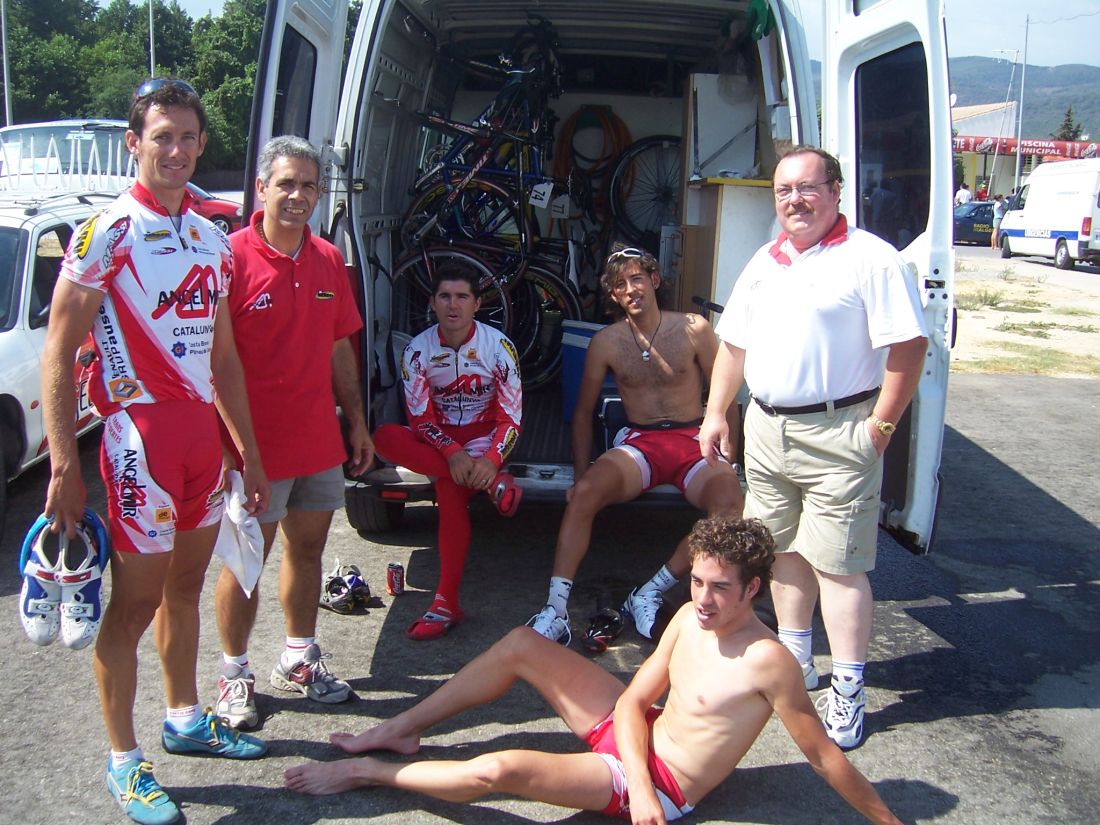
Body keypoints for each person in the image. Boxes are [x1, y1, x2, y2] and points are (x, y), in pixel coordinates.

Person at [283, 516, 905, 825]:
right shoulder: (689, 617)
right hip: (637, 737)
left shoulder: (769, 661)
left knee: (499, 769)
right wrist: (634, 763)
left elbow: (823, 757)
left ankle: (369, 771)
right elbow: (632, 703)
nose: (703, 598)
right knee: (523, 642)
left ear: (753, 590)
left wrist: (887, 821)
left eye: (720, 588)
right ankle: (399, 729)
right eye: (697, 581)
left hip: (663, 782)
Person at [40, 78, 270, 825]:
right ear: (133, 143)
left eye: (187, 137)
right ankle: (123, 760)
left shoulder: (211, 236)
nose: (176, 150)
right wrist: (62, 465)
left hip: (201, 439)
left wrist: (248, 449)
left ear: (202, 144)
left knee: (186, 586)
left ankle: (184, 718)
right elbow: (58, 349)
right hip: (138, 439)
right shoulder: (108, 231)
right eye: (161, 136)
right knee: (136, 603)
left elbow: (225, 357)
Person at [700, 146, 928, 751]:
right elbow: (734, 346)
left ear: (835, 191)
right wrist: (717, 412)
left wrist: (880, 428)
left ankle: (848, 689)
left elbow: (909, 346)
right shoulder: (765, 260)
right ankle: (796, 663)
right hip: (767, 430)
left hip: (840, 433)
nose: (794, 201)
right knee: (779, 552)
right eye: (784, 191)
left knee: (840, 566)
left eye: (807, 188)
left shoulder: (870, 258)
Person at [212, 135, 374, 730]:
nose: (298, 195)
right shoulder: (228, 258)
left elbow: (338, 348)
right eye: (286, 183)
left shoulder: (328, 258)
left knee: (307, 552)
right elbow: (213, 363)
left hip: (317, 441)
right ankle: (233, 675)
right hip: (253, 449)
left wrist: (356, 422)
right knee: (245, 563)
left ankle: (299, 657)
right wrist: (236, 452)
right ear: (262, 188)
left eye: (309, 185)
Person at [527, 246, 743, 644]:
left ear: (654, 280)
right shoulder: (606, 342)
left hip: (692, 439)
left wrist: (731, 453)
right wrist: (580, 475)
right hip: (641, 442)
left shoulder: (694, 328)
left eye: (637, 278)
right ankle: (555, 610)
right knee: (585, 494)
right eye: (620, 284)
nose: (631, 289)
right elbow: (582, 412)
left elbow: (725, 391)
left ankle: (650, 590)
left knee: (729, 506)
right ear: (613, 294)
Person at [371, 267, 523, 640]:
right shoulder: (417, 350)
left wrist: (490, 460)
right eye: (445, 297)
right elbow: (420, 418)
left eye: (461, 297)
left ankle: (445, 603)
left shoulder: (499, 347)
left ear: (477, 304)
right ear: (433, 303)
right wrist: (452, 453)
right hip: (439, 440)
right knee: (384, 437)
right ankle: (492, 486)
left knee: (449, 490)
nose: (453, 305)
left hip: (484, 437)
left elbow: (512, 419)